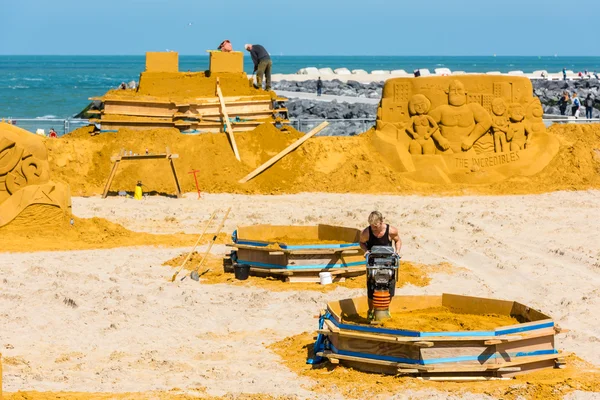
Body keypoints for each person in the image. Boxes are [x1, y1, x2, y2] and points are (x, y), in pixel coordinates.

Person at [359, 211, 402, 318]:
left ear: (381, 222)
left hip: (388, 262)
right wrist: (366, 251)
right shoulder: (366, 232)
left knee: (390, 286)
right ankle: (370, 310)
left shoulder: (391, 231)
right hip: (373, 262)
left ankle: (386, 308)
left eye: (376, 226)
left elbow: (398, 240)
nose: (374, 229)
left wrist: (397, 251)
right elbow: (361, 242)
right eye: (372, 226)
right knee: (371, 287)